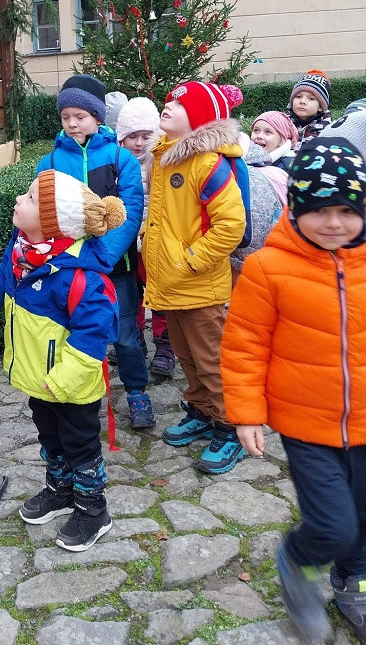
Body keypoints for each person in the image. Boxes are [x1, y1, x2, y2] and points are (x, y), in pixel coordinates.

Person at [221, 136, 366, 644]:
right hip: (307, 426)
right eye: (319, 209)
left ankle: (355, 584)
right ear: (296, 207)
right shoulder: (268, 268)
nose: (333, 223)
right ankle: (298, 561)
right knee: (333, 525)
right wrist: (245, 412)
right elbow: (244, 344)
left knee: (364, 518)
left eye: (347, 210)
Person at [0, 169, 125, 552]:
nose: (18, 201)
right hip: (39, 381)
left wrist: (62, 380)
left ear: (52, 223)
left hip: (71, 387)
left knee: (80, 446)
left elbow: (92, 338)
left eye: (29, 199)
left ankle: (93, 509)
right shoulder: (22, 257)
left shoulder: (81, 278)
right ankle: (61, 490)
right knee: (50, 439)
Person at [142, 81, 248, 474]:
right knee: (187, 356)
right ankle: (203, 412)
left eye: (180, 103)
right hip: (172, 284)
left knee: (211, 360)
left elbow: (230, 225)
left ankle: (230, 427)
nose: (169, 105)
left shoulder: (206, 163)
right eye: (169, 99)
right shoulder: (165, 156)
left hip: (199, 285)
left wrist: (189, 262)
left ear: (200, 118)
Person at [37, 75, 153, 429]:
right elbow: (43, 211)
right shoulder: (51, 161)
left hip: (115, 267)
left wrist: (105, 256)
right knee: (75, 332)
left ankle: (137, 391)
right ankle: (77, 393)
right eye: (65, 117)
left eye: (80, 116)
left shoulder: (120, 158)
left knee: (125, 333)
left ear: (98, 117)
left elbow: (130, 210)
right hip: (70, 268)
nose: (72, 123)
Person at [116, 96, 176, 378]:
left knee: (159, 293)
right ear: (122, 138)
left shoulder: (163, 162)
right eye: (132, 136)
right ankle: (135, 339)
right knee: (133, 293)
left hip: (156, 241)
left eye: (145, 135)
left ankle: (165, 343)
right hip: (126, 242)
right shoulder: (116, 163)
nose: (139, 143)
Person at [230, 133, 283, 277]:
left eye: (268, 132)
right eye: (256, 130)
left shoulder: (251, 175)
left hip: (248, 267)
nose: (259, 136)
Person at [285, 69, 333, 149]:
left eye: (311, 98)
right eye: (298, 96)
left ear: (320, 107)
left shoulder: (329, 131)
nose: (302, 101)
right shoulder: (282, 124)